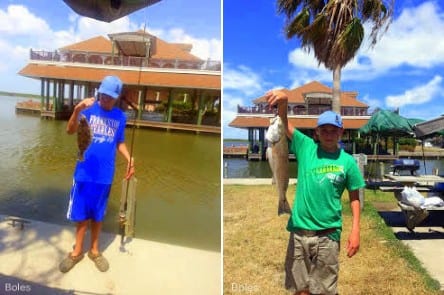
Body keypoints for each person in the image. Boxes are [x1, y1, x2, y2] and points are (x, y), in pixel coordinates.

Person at [265, 90, 365, 295]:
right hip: (299, 232)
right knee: (300, 289)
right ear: (317, 133)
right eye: (324, 130)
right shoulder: (306, 147)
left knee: (324, 290)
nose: (329, 134)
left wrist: (355, 230)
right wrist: (283, 102)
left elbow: (354, 198)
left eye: (333, 130)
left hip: (328, 236)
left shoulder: (348, 162)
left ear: (341, 132)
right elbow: (284, 122)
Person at [59, 75, 135, 273]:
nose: (106, 99)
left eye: (111, 97)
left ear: (117, 97)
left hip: (105, 175)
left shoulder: (120, 117)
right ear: (99, 92)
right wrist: (76, 110)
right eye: (104, 95)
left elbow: (119, 142)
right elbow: (70, 131)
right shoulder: (87, 110)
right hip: (84, 172)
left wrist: (129, 158)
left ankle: (94, 250)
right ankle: (76, 252)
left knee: (98, 215)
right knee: (81, 215)